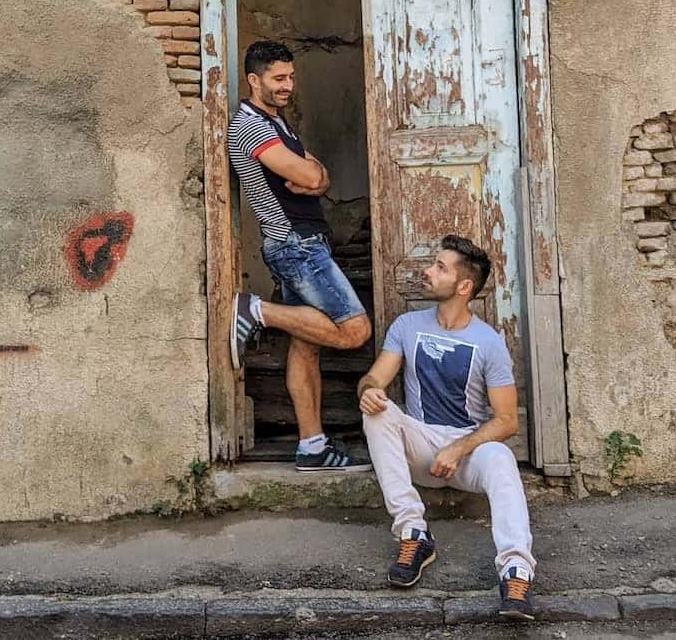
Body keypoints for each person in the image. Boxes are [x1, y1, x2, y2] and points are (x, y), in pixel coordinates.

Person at [356, 235, 537, 620]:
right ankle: (414, 534)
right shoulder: (407, 326)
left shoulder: (488, 342)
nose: (428, 271)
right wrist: (369, 392)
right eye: (432, 264)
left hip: (466, 454)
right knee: (378, 412)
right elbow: (374, 378)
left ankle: (515, 571)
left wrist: (459, 448)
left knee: (501, 459)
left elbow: (506, 420)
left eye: (440, 267)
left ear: (464, 286)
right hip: (421, 446)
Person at [227, 40, 373, 473]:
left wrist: (316, 176)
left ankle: (312, 446)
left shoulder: (277, 122)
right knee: (354, 330)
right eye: (278, 79)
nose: (288, 85)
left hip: (306, 241)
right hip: (294, 244)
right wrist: (312, 175)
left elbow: (318, 176)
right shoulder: (251, 126)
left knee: (306, 348)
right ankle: (255, 311)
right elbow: (308, 172)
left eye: (290, 77)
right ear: (254, 80)